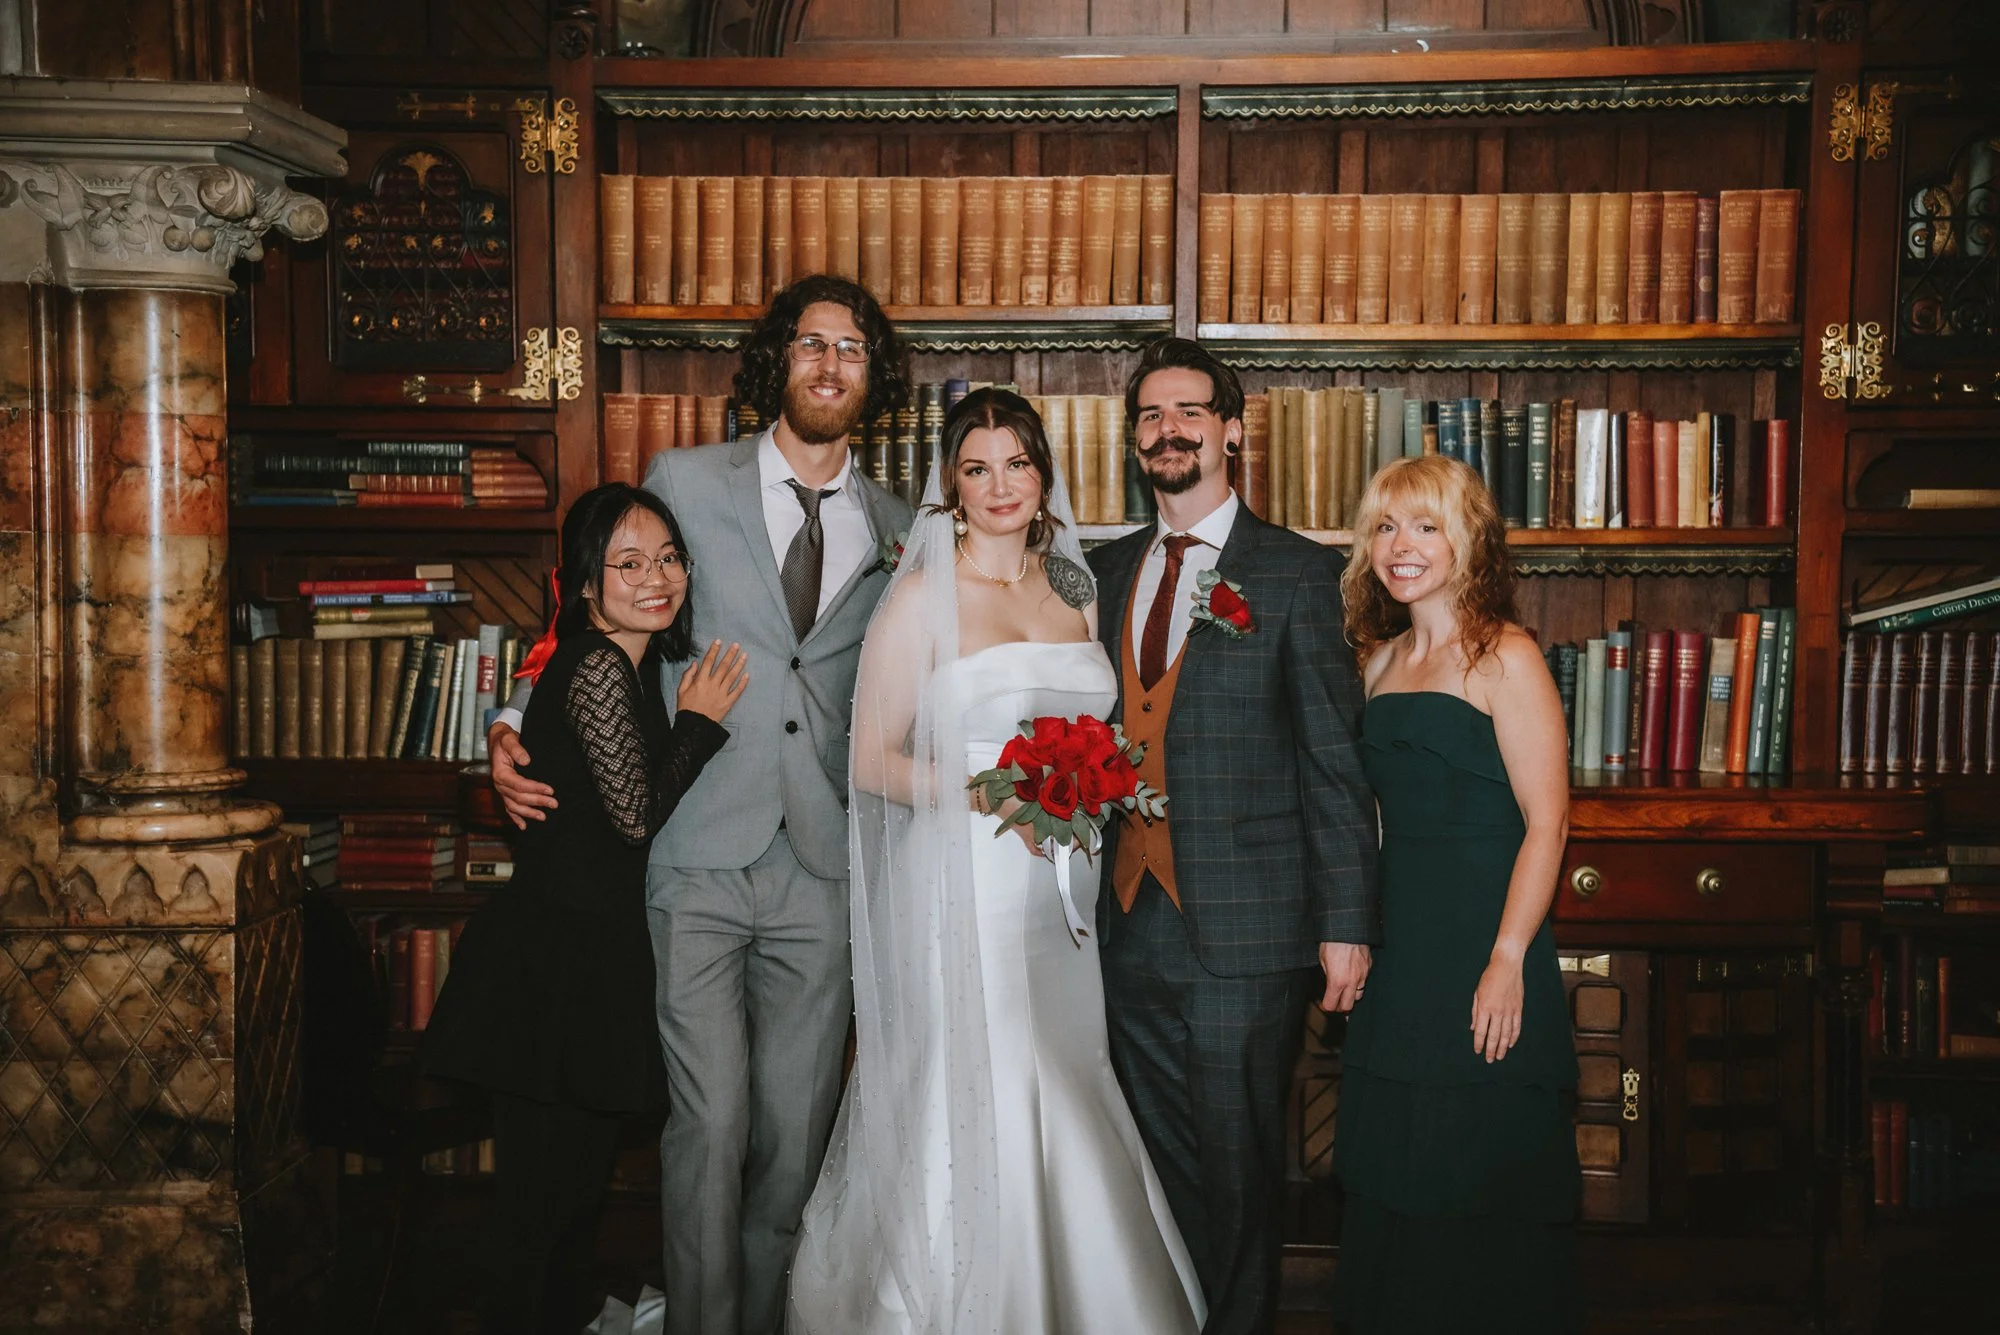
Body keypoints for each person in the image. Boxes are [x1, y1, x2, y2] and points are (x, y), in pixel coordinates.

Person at [486, 275, 914, 1335]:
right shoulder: (684, 477)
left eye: (850, 348)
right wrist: (503, 720)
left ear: (873, 378)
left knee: (791, 1132)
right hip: (693, 850)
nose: (827, 363)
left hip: (825, 863)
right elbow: (594, 594)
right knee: (709, 1124)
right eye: (809, 343)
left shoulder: (902, 526)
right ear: (777, 363)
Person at [788, 387, 1203, 1334]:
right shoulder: (924, 598)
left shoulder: (1074, 588)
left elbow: (1097, 728)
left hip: (1062, 895)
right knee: (984, 1075)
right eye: (977, 468)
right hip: (964, 884)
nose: (1000, 484)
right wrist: (992, 787)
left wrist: (1082, 782)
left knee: (1063, 1067)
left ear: (1043, 474)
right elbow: (870, 758)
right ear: (952, 486)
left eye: (1016, 463)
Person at [1087, 337, 1380, 1335]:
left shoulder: (1297, 574)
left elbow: (1333, 764)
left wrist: (1346, 924)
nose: (1167, 431)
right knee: (1152, 1167)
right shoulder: (1102, 572)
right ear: (1135, 439)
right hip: (1124, 927)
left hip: (1247, 933)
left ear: (1230, 432)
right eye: (1149, 417)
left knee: (1240, 1168)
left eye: (1187, 413)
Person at [423, 483, 749, 1335]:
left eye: (670, 557)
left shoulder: (607, 657)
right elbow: (634, 815)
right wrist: (701, 724)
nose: (658, 577)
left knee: (564, 1204)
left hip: (581, 962)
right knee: (540, 1211)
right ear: (587, 580)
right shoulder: (602, 663)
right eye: (629, 562)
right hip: (552, 971)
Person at [1331, 454, 1581, 1334]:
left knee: (1479, 1177)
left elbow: (1547, 823)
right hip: (1405, 957)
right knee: (1399, 1174)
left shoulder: (1504, 653)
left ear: (1466, 539)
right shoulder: (1379, 662)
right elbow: (1372, 824)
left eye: (1426, 525)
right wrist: (1355, 933)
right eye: (1387, 527)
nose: (1403, 546)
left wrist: (1508, 959)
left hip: (1486, 942)